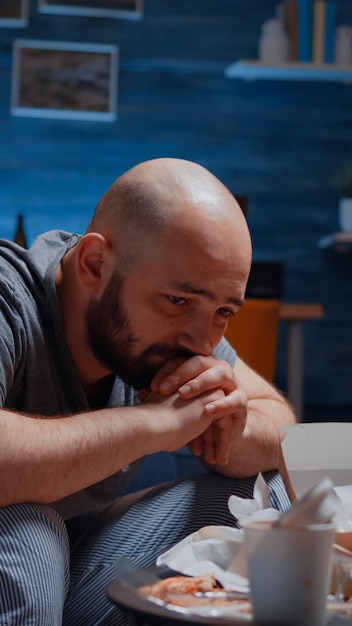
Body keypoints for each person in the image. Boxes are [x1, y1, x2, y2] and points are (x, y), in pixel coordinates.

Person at [0, 157, 296, 625]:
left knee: (268, 497)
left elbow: (278, 420)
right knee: (27, 533)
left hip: (74, 559)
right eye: (178, 300)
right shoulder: (8, 297)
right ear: (94, 264)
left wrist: (228, 425)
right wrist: (154, 423)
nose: (203, 342)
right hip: (24, 552)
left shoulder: (183, 331)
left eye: (223, 311)